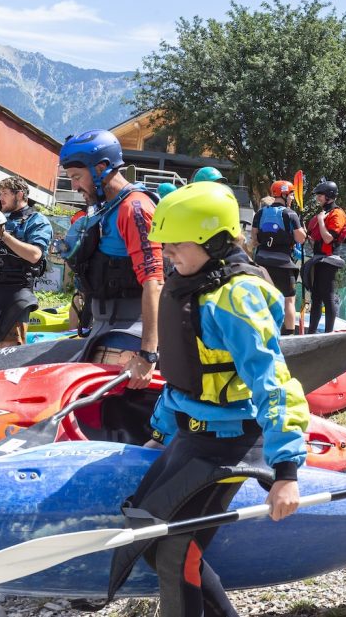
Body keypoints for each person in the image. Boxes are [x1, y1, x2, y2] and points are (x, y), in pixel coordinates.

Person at [107, 181, 309, 616]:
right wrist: (161, 433)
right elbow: (183, 378)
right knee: (151, 540)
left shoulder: (236, 297)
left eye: (177, 247)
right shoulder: (190, 285)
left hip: (231, 443)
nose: (170, 257)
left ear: (214, 241)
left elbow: (274, 382)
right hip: (190, 437)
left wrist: (286, 471)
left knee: (176, 553)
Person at [58, 130, 164, 389]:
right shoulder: (109, 208)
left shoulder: (134, 208)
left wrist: (148, 355)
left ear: (101, 168)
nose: (74, 186)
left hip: (127, 336)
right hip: (105, 328)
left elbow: (154, 281)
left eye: (76, 177)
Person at [0, 177, 53, 349]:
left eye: (5, 194)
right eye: (0, 194)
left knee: (9, 346)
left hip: (18, 291)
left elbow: (35, 255)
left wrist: (3, 235)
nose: (0, 198)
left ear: (20, 195)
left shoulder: (37, 221)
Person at [250, 180, 307, 335]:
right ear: (284, 194)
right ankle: (289, 335)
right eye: (291, 194)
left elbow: (254, 238)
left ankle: (260, 331)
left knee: (261, 299)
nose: (292, 198)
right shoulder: (290, 214)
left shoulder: (261, 213)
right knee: (288, 300)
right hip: (283, 265)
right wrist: (303, 230)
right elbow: (301, 238)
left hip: (261, 263)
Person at [303, 180, 346, 333]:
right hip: (319, 259)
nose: (318, 198)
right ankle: (311, 333)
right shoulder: (323, 213)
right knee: (316, 297)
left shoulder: (337, 214)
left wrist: (321, 221)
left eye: (320, 195)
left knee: (327, 296)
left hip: (330, 260)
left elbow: (329, 238)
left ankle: (328, 333)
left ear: (329, 196)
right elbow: (316, 238)